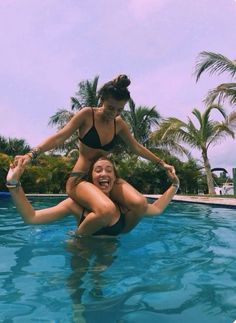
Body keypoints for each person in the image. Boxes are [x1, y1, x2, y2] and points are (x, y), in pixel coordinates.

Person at [13, 74, 175, 235]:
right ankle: (78, 239)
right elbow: (60, 137)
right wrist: (31, 154)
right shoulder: (87, 115)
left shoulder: (119, 124)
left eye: (119, 110)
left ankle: (116, 235)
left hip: (104, 178)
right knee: (107, 209)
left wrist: (162, 163)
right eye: (111, 108)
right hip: (80, 179)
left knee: (140, 203)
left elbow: (136, 148)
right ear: (102, 100)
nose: (114, 113)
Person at [6, 157, 180, 236]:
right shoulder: (75, 205)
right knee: (78, 295)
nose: (104, 174)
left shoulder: (124, 205)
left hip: (109, 257)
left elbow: (156, 209)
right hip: (80, 252)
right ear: (90, 180)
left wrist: (175, 185)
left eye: (109, 170)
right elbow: (32, 218)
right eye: (98, 170)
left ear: (115, 178)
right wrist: (13, 184)